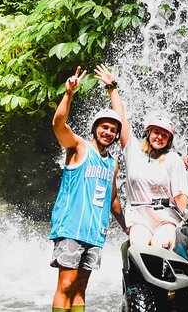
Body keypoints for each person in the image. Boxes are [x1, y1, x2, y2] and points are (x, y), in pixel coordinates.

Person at [49, 65, 127, 312]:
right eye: (104, 127)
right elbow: (58, 125)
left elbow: (113, 200)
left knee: (81, 286)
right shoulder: (80, 148)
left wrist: (127, 226)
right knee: (66, 284)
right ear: (95, 128)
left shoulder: (112, 163)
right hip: (72, 228)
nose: (109, 132)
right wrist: (68, 94)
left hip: (95, 232)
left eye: (113, 130)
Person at [95, 64, 188, 249]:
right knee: (139, 247)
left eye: (165, 135)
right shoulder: (133, 151)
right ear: (148, 133)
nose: (159, 137)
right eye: (156, 133)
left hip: (167, 219)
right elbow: (121, 119)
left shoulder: (173, 159)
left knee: (159, 245)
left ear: (169, 140)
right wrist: (112, 87)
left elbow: (180, 196)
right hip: (139, 219)